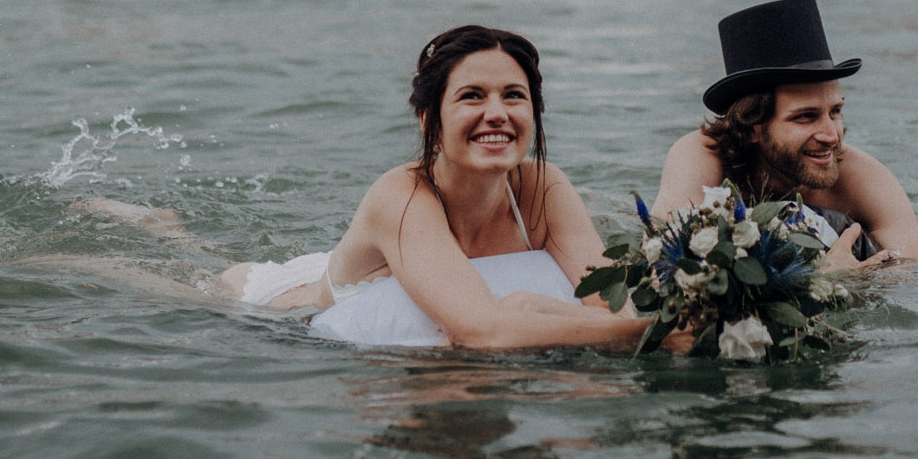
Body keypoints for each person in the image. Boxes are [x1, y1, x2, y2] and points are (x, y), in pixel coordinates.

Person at [203, 25, 670, 350]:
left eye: (514, 95)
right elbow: (484, 333)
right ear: (430, 121)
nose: (497, 113)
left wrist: (538, 308)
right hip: (275, 301)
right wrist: (656, 333)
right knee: (192, 270)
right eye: (472, 96)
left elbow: (613, 307)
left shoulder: (545, 187)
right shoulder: (401, 195)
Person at [656, 0, 918, 268]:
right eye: (806, 117)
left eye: (835, 112)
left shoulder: (859, 177)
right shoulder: (703, 157)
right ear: (752, 125)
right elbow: (659, 256)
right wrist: (823, 277)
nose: (831, 135)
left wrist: (862, 281)